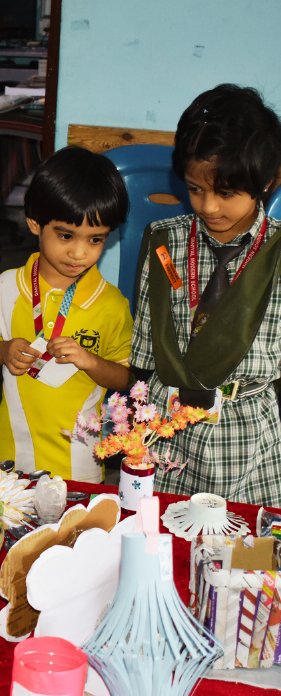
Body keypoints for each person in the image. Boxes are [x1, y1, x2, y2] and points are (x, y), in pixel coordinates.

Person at [131, 84, 281, 503]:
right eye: (196, 189)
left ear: (266, 181)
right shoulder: (164, 242)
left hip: (247, 436)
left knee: (244, 555)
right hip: (167, 429)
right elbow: (144, 354)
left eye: (226, 192)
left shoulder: (278, 252)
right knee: (160, 542)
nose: (209, 207)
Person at [0, 147, 132, 482]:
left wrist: (90, 362)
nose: (79, 252)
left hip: (79, 466)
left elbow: (125, 377)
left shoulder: (111, 305)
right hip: (8, 458)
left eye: (96, 239)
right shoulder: (6, 288)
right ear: (34, 223)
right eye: (65, 235)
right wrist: (2, 351)